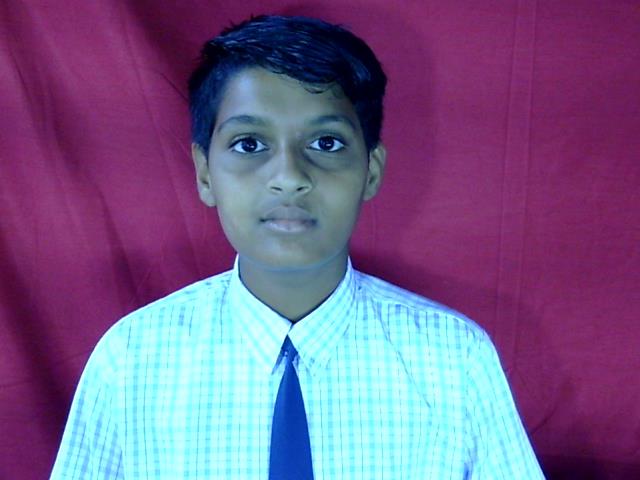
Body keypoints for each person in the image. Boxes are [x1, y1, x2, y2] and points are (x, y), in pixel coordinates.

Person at [51, 15, 545, 479]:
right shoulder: (132, 360)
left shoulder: (454, 361)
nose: (289, 177)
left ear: (371, 172)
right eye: (249, 144)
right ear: (204, 173)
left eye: (326, 143)